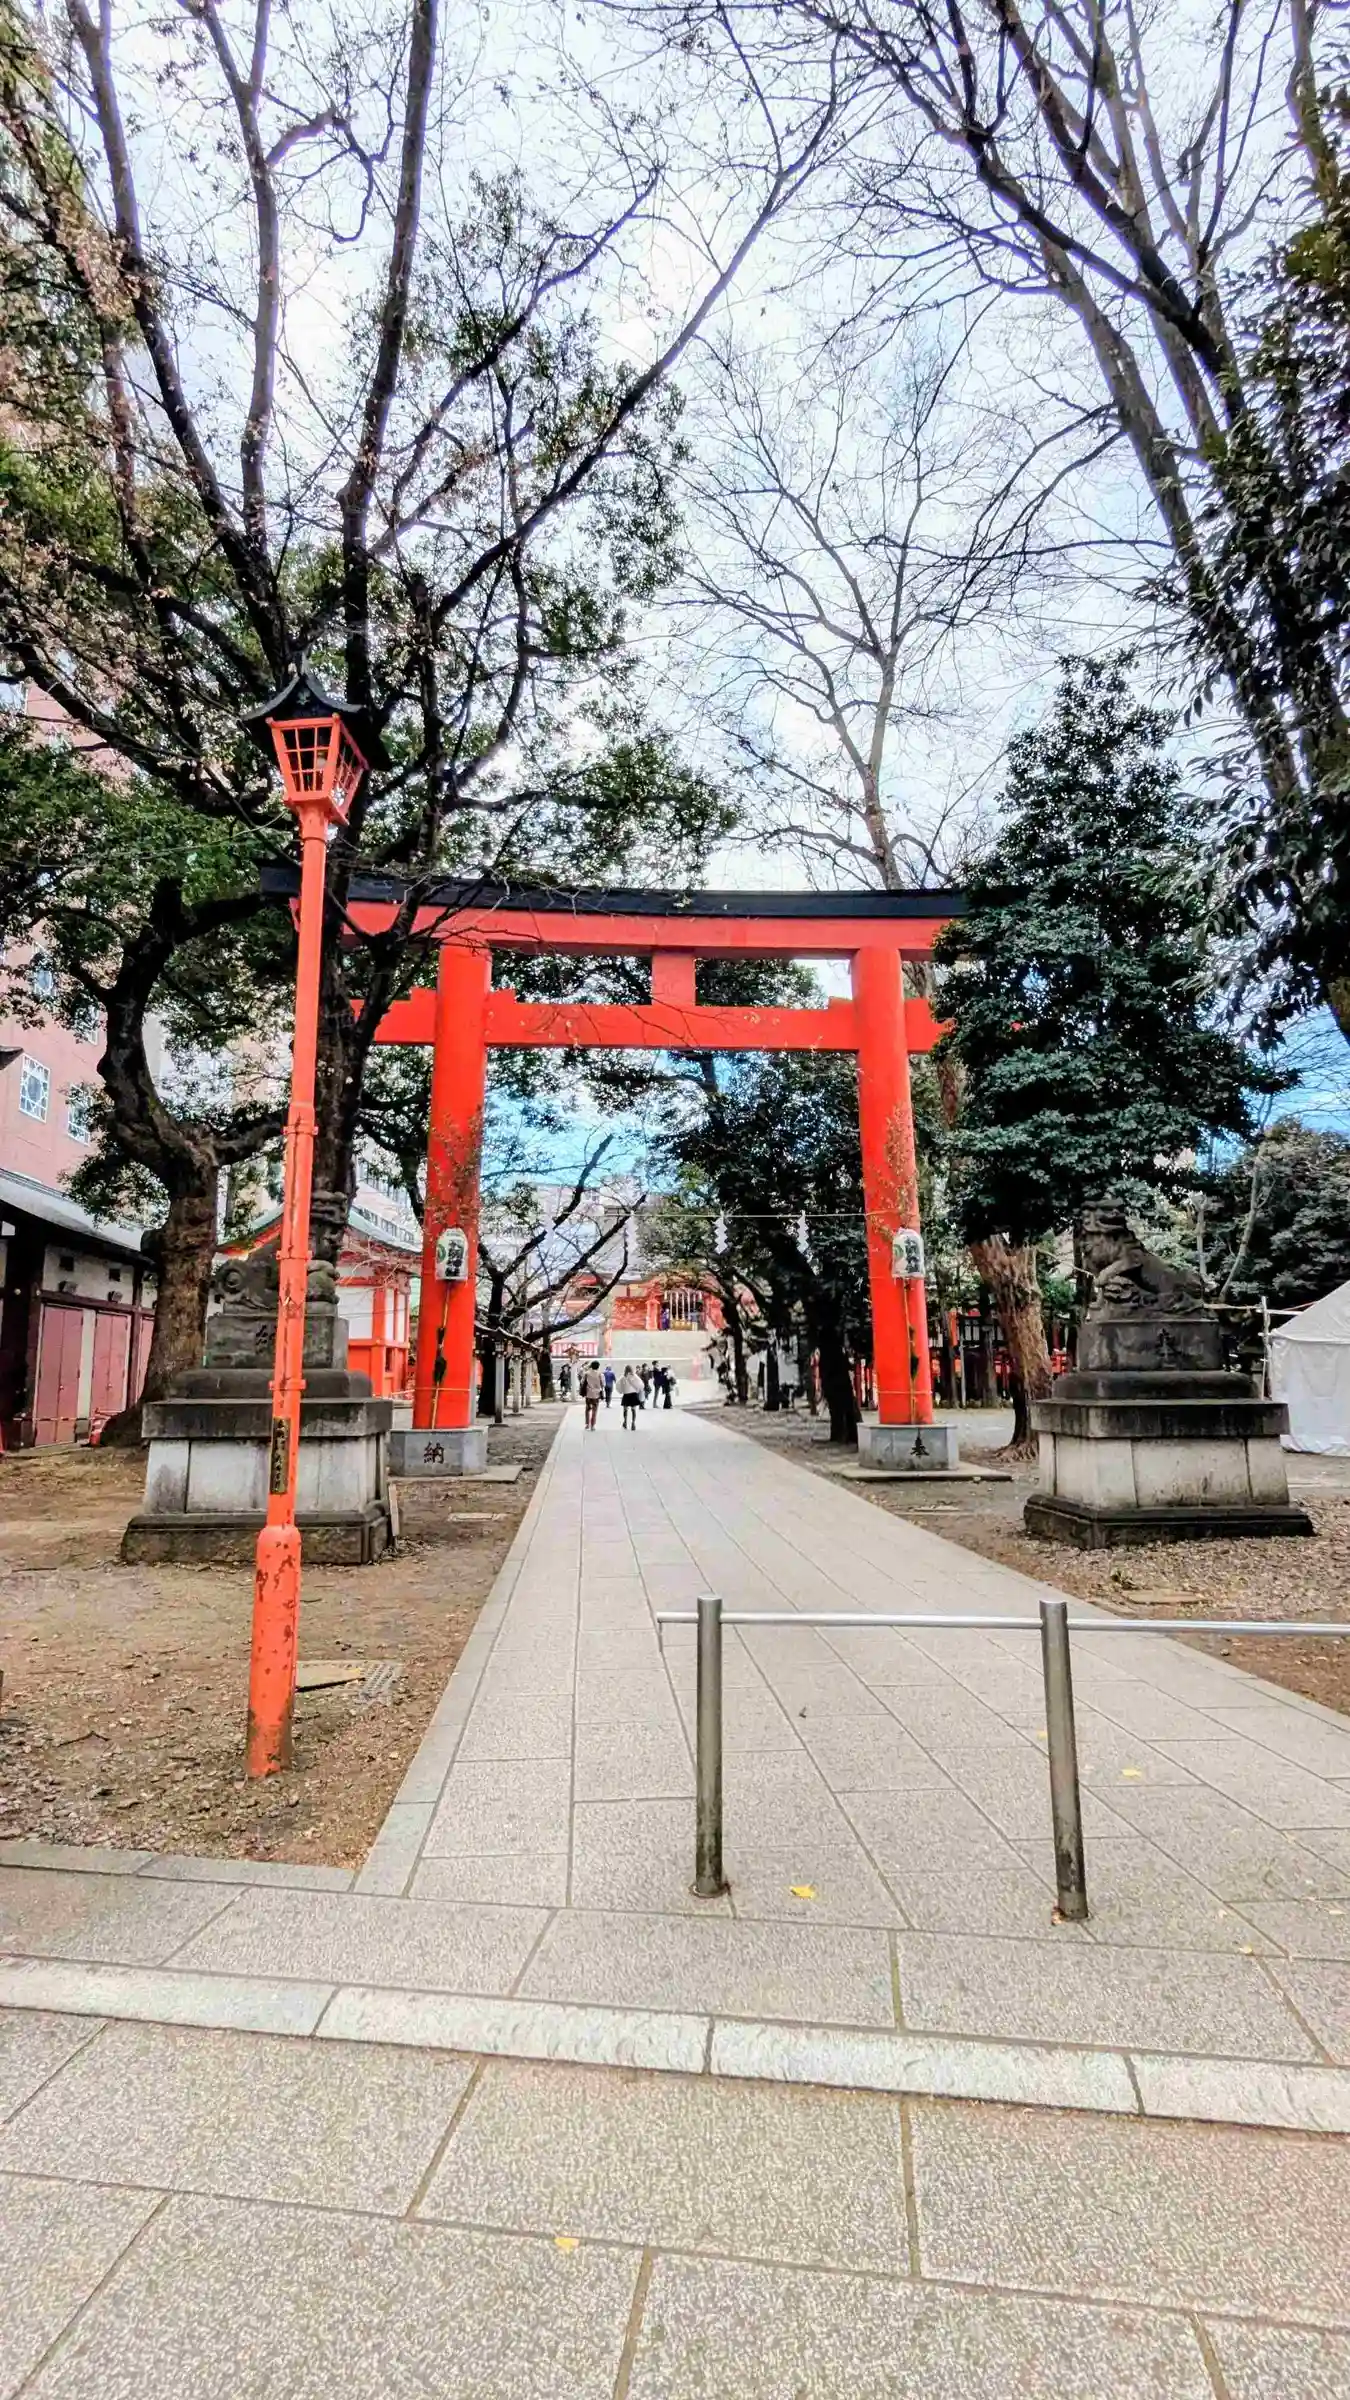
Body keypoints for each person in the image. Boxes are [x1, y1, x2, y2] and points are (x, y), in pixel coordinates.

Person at [580, 1362, 604, 1430]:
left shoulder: (586, 1373)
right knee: (594, 1410)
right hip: (596, 1395)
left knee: (587, 1409)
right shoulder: (600, 1374)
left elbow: (582, 1382)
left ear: (591, 1366)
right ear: (598, 1367)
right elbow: (603, 1384)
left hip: (588, 1394)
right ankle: (592, 1425)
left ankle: (587, 1424)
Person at [620, 1363, 643, 1428]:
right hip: (633, 1394)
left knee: (625, 1409)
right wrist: (638, 1390)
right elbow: (640, 1384)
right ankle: (633, 1423)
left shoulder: (623, 1377)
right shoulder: (635, 1376)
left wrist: (622, 1391)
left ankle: (625, 1422)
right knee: (633, 1409)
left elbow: (620, 1386)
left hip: (626, 1394)